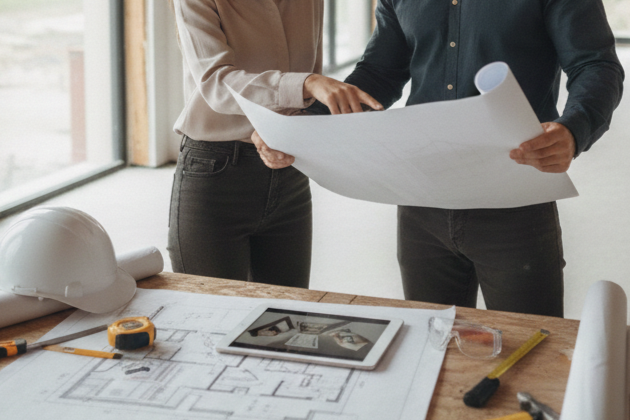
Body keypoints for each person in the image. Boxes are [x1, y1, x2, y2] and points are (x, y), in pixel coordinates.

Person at [257, 0, 624, 316]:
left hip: (514, 198)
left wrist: (575, 129)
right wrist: (300, 126)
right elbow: (379, 73)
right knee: (431, 348)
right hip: (422, 200)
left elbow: (595, 65)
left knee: (531, 351)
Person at [167, 0, 381, 288]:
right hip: (215, 176)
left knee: (286, 320)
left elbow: (307, 72)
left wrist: (289, 118)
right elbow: (216, 82)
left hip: (289, 168)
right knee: (212, 317)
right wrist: (306, 84)